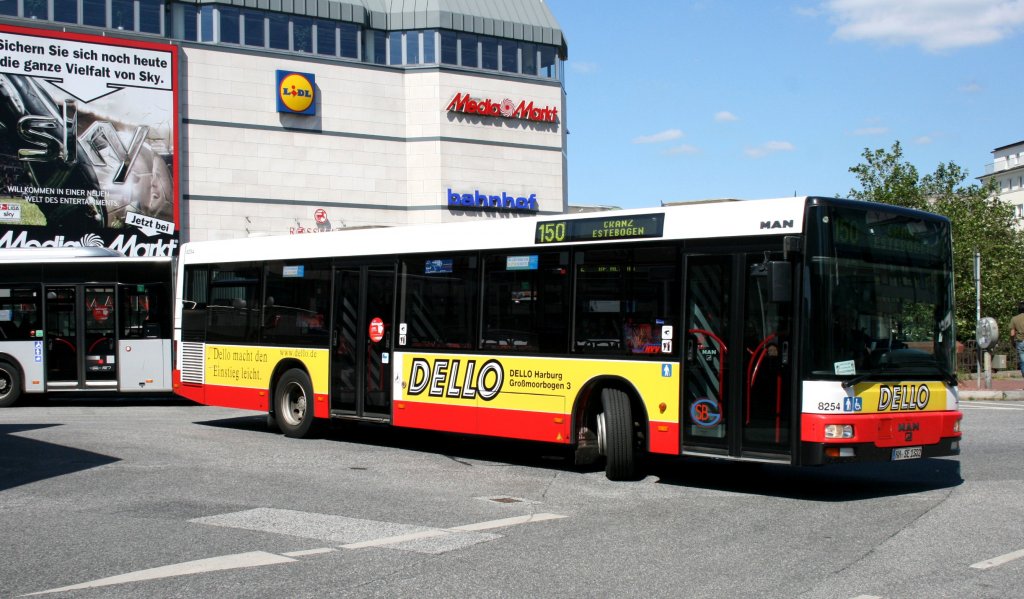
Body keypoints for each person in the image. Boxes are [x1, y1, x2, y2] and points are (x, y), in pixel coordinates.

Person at [1009, 301, 1024, 378]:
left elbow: (1012, 333)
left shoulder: (1014, 319)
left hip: (1020, 342)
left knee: (1022, 361)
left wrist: (1012, 342)